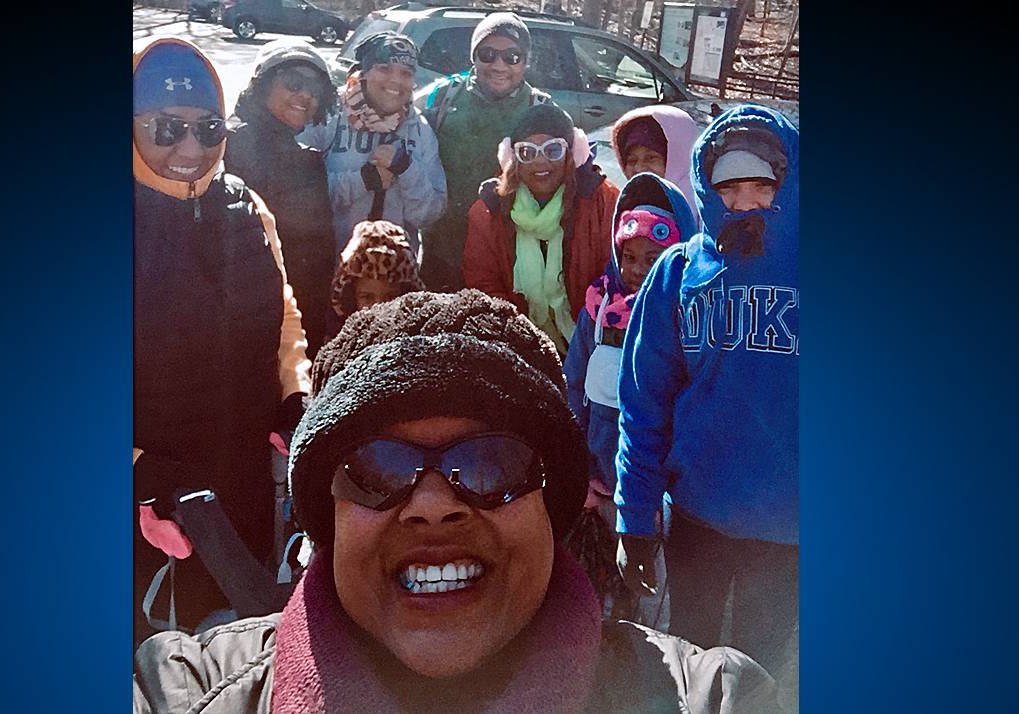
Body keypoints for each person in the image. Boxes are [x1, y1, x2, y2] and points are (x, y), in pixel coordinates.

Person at [133, 289, 782, 713]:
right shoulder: (188, 692)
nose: (433, 504)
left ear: (550, 508)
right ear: (325, 516)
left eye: (490, 462)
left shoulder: (710, 698)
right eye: (377, 469)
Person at [614, 104, 799, 712]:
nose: (745, 202)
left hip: (790, 528)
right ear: (707, 189)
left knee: (758, 676)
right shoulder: (679, 271)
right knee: (683, 666)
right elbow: (644, 401)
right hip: (697, 514)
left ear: (788, 184)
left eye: (762, 187)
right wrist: (635, 517)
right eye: (729, 188)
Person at [132, 37, 312, 647]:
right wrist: (137, 471)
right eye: (166, 128)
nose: (190, 148)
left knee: (244, 642)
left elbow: (283, 310)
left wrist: (297, 392)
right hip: (152, 501)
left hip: (244, 482)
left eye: (208, 129)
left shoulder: (247, 206)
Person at [562, 172, 696, 625]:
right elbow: (575, 385)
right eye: (630, 256)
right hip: (598, 473)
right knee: (600, 570)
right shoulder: (599, 310)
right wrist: (577, 464)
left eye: (653, 258)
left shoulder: (686, 316)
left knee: (655, 586)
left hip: (659, 487)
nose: (639, 268)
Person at [462, 104, 617, 359]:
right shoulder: (487, 212)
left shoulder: (604, 203)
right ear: (511, 159)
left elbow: (612, 279)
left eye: (553, 149)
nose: (540, 161)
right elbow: (484, 287)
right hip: (520, 349)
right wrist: (525, 349)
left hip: (593, 345)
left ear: (573, 153)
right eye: (527, 152)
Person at [421, 12, 554, 292]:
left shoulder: (541, 109)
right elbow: (400, 119)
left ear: (526, 61)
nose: (498, 65)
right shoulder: (443, 97)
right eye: (488, 53)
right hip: (441, 250)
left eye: (512, 57)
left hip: (508, 255)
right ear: (474, 57)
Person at [223, 39, 339, 360]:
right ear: (262, 84)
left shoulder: (308, 160)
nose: (305, 96)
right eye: (293, 83)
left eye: (315, 90)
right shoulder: (224, 144)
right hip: (240, 326)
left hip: (294, 327)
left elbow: (316, 261)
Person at [298, 31, 446, 259]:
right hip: (330, 267)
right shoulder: (327, 115)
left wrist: (406, 168)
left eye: (406, 73)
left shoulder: (420, 129)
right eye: (384, 68)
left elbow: (429, 215)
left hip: (396, 276)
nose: (395, 80)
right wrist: (363, 180)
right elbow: (299, 196)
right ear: (364, 72)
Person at [326, 219, 425, 341]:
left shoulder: (420, 338)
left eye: (390, 297)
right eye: (367, 297)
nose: (378, 307)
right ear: (350, 298)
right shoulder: (336, 343)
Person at [610, 105, 701, 224]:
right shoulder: (626, 206)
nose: (639, 168)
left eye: (651, 158)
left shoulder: (707, 215)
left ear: (679, 158)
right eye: (632, 161)